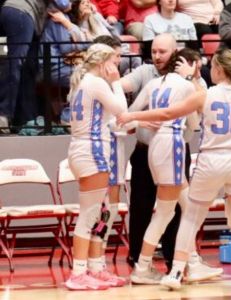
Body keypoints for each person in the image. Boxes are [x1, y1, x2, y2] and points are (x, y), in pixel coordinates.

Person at [117, 48, 231, 291]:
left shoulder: (206, 94)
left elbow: (168, 113)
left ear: (218, 69)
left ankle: (176, 272)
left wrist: (132, 115)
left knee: (190, 218)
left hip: (210, 160)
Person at [120, 34, 221, 282]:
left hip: (153, 145)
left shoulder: (155, 84)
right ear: (192, 65)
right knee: (166, 212)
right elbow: (195, 125)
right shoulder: (188, 87)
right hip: (172, 143)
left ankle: (191, 262)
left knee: (188, 207)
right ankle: (143, 267)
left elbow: (129, 113)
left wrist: (143, 120)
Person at [64, 44, 127, 290]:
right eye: (113, 62)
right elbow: (122, 110)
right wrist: (117, 82)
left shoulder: (83, 83)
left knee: (99, 212)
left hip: (84, 150)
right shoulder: (97, 83)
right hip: (90, 151)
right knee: (90, 215)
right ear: (102, 63)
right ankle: (78, 273)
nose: (116, 66)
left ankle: (95, 266)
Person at [0, 0, 71, 130]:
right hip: (21, 12)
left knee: (28, 69)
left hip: (27, 17)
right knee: (15, 62)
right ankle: (3, 113)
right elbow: (63, 4)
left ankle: (24, 119)